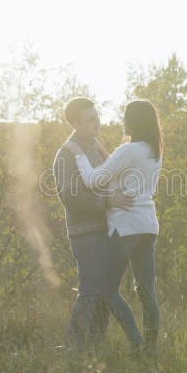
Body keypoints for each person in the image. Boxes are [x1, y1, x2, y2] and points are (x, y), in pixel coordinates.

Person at [63, 99, 163, 353]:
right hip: (148, 226)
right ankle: (151, 348)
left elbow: (95, 180)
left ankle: (136, 342)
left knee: (106, 289)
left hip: (125, 227)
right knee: (147, 290)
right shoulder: (154, 150)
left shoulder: (128, 150)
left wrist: (79, 155)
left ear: (132, 121)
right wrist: (107, 152)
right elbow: (123, 172)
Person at [53, 97, 134, 351]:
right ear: (75, 123)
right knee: (90, 291)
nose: (97, 120)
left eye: (96, 115)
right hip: (85, 234)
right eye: (90, 118)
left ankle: (95, 350)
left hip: (107, 230)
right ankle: (71, 350)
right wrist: (109, 201)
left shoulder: (96, 147)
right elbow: (72, 198)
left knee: (104, 294)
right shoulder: (66, 154)